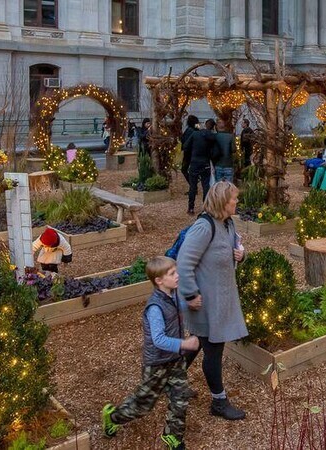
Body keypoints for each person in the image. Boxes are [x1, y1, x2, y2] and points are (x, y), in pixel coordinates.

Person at [101, 256, 200, 449]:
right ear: (159, 281)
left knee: (180, 398)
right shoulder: (154, 307)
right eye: (173, 273)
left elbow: (176, 308)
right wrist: (184, 344)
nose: (178, 276)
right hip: (157, 364)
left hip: (175, 361)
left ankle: (172, 436)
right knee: (143, 405)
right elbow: (159, 340)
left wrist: (189, 304)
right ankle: (113, 417)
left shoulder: (173, 294)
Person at [177, 182, 247, 421]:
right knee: (213, 351)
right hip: (204, 302)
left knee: (197, 344)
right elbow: (184, 263)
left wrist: (241, 254)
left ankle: (170, 380)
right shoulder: (203, 227)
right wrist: (190, 295)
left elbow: (229, 251)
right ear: (221, 202)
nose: (237, 202)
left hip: (221, 300)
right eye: (233, 199)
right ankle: (219, 401)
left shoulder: (227, 223)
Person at [185, 119, 216, 214]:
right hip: (205, 163)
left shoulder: (195, 134)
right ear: (213, 127)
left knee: (193, 186)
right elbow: (214, 150)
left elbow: (186, 146)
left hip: (194, 162)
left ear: (205, 125)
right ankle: (205, 208)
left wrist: (192, 152)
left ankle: (191, 208)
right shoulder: (212, 136)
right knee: (206, 186)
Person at [180, 116, 200, 183]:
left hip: (188, 153)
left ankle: (192, 185)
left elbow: (185, 141)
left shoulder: (189, 130)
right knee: (192, 170)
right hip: (195, 152)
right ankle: (194, 183)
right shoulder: (196, 129)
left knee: (184, 169)